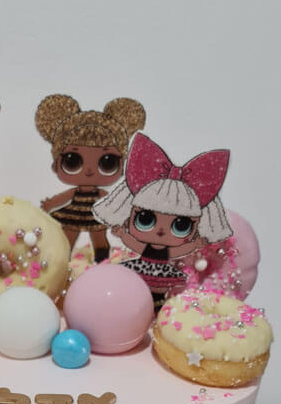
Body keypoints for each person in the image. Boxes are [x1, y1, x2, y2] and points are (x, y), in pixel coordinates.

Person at [93, 133, 232, 311]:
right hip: (140, 270)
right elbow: (135, 243)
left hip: (162, 275)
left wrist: (195, 244)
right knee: (134, 289)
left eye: (180, 226)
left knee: (157, 294)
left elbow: (178, 250)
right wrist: (122, 234)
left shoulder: (168, 251)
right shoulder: (146, 247)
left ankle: (156, 308)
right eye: (145, 219)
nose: (160, 231)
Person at [36, 94, 145, 262]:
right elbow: (64, 197)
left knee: (98, 236)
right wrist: (50, 204)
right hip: (73, 214)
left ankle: (101, 258)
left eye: (107, 163)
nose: (88, 171)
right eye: (72, 161)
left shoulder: (100, 194)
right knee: (68, 235)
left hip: (95, 216)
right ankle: (63, 257)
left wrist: (122, 212)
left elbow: (111, 202)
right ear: (57, 163)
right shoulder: (75, 192)